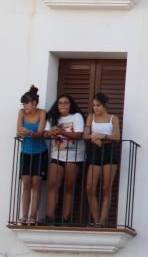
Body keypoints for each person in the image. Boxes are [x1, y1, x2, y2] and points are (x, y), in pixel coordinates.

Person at [43, 94, 85, 225]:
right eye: (60, 103)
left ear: (70, 104)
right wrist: (51, 132)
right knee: (52, 186)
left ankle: (66, 219)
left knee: (69, 187)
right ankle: (49, 217)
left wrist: (61, 132)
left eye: (65, 103)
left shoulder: (77, 116)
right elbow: (44, 134)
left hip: (74, 157)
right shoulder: (52, 118)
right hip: (57, 155)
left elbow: (79, 134)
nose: (62, 105)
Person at [84, 93, 121, 228]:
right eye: (93, 105)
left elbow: (117, 136)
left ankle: (102, 220)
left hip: (109, 152)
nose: (95, 108)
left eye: (98, 105)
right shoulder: (90, 118)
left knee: (106, 188)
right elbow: (85, 135)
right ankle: (96, 218)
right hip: (95, 151)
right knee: (89, 188)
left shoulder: (113, 118)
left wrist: (102, 136)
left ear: (104, 105)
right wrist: (94, 137)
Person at [16, 85, 47, 225]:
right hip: (26, 152)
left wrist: (28, 133)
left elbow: (40, 133)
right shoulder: (21, 112)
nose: (24, 106)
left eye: (26, 103)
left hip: (40, 153)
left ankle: (32, 216)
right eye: (23, 104)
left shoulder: (42, 113)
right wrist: (23, 132)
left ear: (34, 103)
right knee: (26, 183)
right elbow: (18, 132)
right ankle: (24, 216)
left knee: (36, 184)